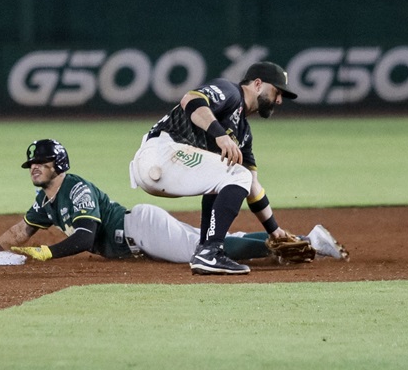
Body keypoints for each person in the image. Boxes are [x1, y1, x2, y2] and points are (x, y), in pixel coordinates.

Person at [0, 139, 348, 265]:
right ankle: (305, 239)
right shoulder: (46, 199)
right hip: (143, 234)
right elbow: (20, 231)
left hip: (141, 230)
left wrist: (46, 254)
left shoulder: (76, 190)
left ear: (59, 164)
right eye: (31, 163)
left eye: (41, 162)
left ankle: (309, 244)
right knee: (210, 241)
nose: (34, 167)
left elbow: (86, 238)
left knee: (205, 250)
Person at [129, 61, 301, 275]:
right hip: (160, 154)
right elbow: (190, 99)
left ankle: (206, 249)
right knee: (238, 174)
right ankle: (210, 253)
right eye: (277, 91)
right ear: (257, 84)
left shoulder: (243, 133)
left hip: (170, 166)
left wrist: (275, 231)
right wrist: (220, 135)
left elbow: (252, 185)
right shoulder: (231, 92)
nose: (279, 100)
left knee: (233, 178)